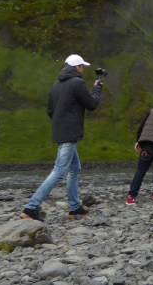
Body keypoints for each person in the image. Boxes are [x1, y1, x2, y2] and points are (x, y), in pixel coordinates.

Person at [20, 54, 102, 221]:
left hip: (60, 131)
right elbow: (92, 104)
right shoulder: (77, 83)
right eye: (82, 66)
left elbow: (50, 110)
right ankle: (31, 207)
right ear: (76, 67)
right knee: (59, 171)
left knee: (74, 168)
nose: (83, 69)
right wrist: (97, 88)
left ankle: (74, 207)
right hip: (70, 133)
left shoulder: (56, 84)